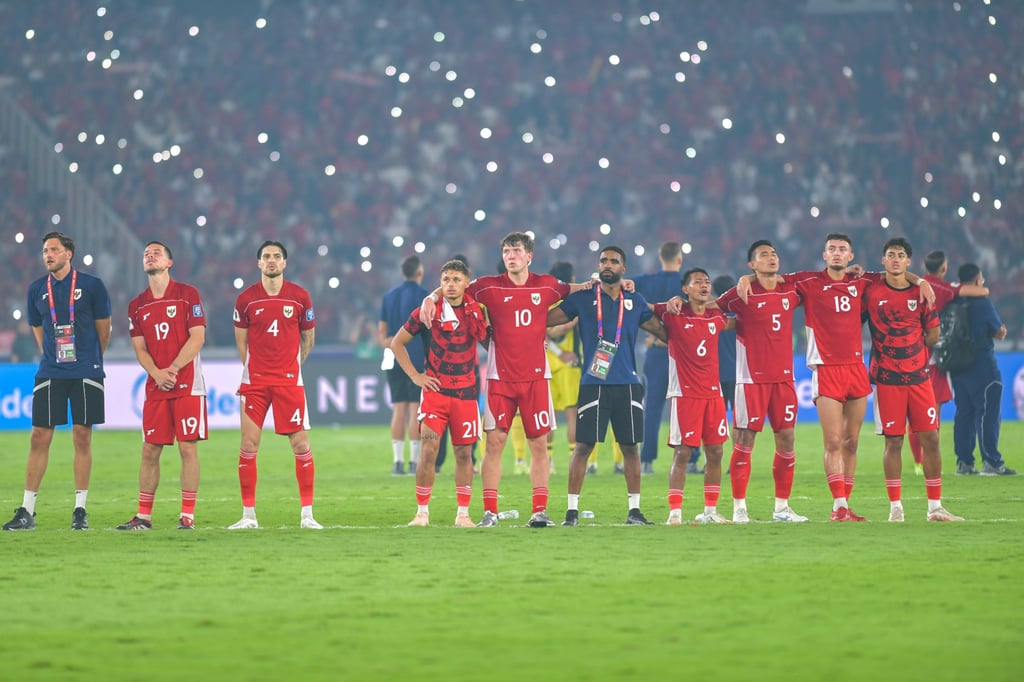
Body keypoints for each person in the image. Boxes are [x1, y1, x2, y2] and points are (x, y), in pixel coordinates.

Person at [419, 232, 590, 528]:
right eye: (507, 251)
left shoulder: (546, 285)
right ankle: (490, 512)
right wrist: (430, 296)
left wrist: (603, 284)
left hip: (536, 378)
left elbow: (579, 288)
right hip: (500, 379)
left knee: (539, 444)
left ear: (529, 256)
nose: (511, 255)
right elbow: (454, 285)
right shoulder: (488, 286)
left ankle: (539, 511)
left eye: (516, 250)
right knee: (495, 444)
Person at [549, 246, 665, 526]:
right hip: (593, 383)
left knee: (630, 448)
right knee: (582, 447)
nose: (608, 265)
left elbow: (664, 331)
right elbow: (545, 320)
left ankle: (634, 511)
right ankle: (571, 512)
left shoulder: (635, 300)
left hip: (627, 384)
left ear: (624, 269)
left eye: (614, 261)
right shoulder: (584, 298)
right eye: (603, 260)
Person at [3, 232, 111, 531]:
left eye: (54, 250)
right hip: (51, 370)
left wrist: (88, 358)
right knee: (39, 436)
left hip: (86, 370)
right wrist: (53, 355)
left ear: (68, 254)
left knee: (82, 435)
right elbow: (38, 329)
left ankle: (80, 509)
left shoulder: (92, 286)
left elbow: (105, 330)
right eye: (45, 250)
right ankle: (27, 510)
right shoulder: (36, 289)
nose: (47, 255)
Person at [863, 237, 962, 522]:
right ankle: (896, 508)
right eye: (891, 254)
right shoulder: (870, 289)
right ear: (883, 261)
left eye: (901, 255)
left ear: (908, 262)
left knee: (930, 438)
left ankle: (935, 507)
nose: (896, 259)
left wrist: (920, 285)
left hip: (920, 378)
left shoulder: (921, 294)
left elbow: (933, 334)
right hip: (887, 380)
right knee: (893, 443)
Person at [229, 240, 321, 530]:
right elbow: (241, 342)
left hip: (289, 382)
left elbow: (309, 337)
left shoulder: (300, 297)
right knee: (248, 444)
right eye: (266, 256)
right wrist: (253, 370)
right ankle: (248, 516)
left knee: (301, 444)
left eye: (277, 256)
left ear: (284, 263)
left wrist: (292, 368)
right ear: (259, 263)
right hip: (255, 383)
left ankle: (307, 515)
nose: (271, 260)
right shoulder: (245, 300)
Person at [391, 259, 490, 526]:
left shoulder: (476, 311)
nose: (450, 285)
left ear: (467, 283)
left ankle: (463, 514)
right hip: (435, 394)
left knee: (463, 454)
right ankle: (422, 512)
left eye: (457, 279)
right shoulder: (427, 311)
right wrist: (415, 375)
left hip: (467, 395)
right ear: (440, 283)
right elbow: (397, 342)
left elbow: (491, 343)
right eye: (446, 280)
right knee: (428, 451)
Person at [116, 241, 207, 530]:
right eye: (146, 253)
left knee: (187, 449)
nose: (149, 255)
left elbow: (197, 337)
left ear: (169, 262)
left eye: (156, 252)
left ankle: (187, 516)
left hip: (187, 383)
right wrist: (156, 373)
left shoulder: (187, 294)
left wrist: (174, 369)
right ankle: (143, 517)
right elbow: (139, 348)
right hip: (157, 386)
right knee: (149, 450)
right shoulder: (136, 305)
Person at [715, 239, 806, 523]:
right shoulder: (741, 292)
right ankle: (739, 508)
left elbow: (822, 279)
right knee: (744, 440)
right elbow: (710, 311)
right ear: (752, 264)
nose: (772, 257)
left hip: (784, 380)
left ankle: (782, 508)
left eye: (774, 253)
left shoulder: (791, 287)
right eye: (764, 255)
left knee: (787, 439)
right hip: (750, 379)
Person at [654, 268, 734, 525]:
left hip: (713, 395)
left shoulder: (716, 317)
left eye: (707, 282)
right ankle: (674, 513)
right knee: (683, 453)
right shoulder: (673, 315)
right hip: (685, 395)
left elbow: (740, 318)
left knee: (716, 451)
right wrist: (668, 302)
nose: (704, 285)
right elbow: (642, 309)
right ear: (685, 289)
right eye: (697, 281)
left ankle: (710, 511)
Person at [909, 251, 987, 475]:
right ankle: (930, 457)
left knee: (913, 416)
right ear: (943, 268)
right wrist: (983, 286)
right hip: (935, 359)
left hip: (912, 356)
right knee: (933, 415)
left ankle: (918, 462)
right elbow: (979, 291)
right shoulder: (942, 289)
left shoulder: (916, 285)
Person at [631, 241, 695, 475]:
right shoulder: (687, 283)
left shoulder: (646, 281)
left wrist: (649, 332)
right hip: (684, 353)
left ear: (661, 258)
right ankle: (692, 460)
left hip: (656, 351)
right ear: (679, 259)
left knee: (653, 408)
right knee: (689, 406)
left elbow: (627, 291)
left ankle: (646, 461)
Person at [950, 263, 1016, 476]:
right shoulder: (982, 303)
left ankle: (965, 463)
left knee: (964, 414)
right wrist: (1001, 331)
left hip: (958, 366)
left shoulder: (953, 300)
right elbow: (998, 330)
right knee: (988, 413)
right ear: (978, 280)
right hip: (983, 366)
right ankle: (992, 462)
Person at [379, 255, 429, 476]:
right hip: (417, 358)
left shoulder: (389, 296)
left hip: (392, 357)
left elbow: (382, 336)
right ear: (419, 272)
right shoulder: (425, 297)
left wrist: (395, 344)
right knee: (415, 409)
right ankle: (414, 462)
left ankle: (397, 462)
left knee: (398, 409)